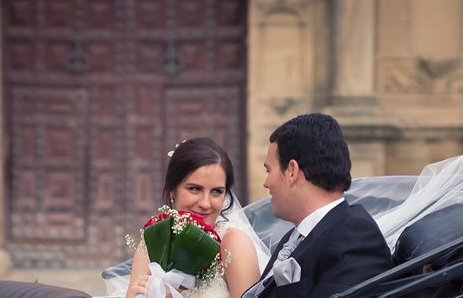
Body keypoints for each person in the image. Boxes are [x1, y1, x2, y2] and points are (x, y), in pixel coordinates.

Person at [242, 113, 393, 298]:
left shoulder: (354, 237)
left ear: (292, 171)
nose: (266, 182)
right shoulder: (297, 236)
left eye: (269, 170)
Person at [126, 137, 270, 298]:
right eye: (195, 189)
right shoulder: (153, 241)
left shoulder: (234, 243)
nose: (205, 203)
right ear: (173, 190)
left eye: (217, 191)